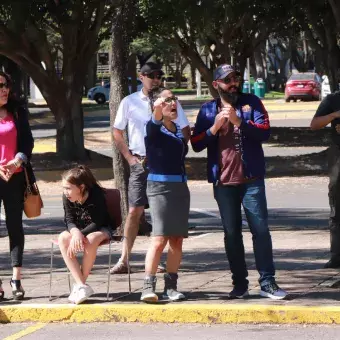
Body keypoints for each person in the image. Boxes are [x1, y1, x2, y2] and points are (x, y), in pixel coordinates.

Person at [191, 64, 287, 300]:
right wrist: (214, 128)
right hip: (223, 182)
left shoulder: (251, 103)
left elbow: (264, 132)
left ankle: (268, 282)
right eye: (227, 80)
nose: (233, 84)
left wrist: (239, 122)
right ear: (216, 85)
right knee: (231, 233)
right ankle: (239, 284)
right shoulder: (207, 110)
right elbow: (196, 143)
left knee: (260, 230)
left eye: (236, 79)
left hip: (251, 179)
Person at [111, 62, 190, 274]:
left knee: (161, 214)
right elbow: (117, 131)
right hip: (141, 161)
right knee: (134, 211)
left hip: (164, 166)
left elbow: (185, 129)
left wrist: (178, 147)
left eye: (159, 75)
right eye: (150, 75)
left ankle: (160, 259)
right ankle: (125, 258)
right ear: (141, 76)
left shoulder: (170, 100)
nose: (155, 78)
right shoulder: (130, 101)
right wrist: (129, 158)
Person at [140, 88, 190, 302]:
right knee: (159, 237)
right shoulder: (153, 128)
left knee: (177, 239)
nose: (173, 103)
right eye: (167, 99)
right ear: (157, 105)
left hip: (180, 188)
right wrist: (157, 110)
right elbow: (154, 122)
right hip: (159, 187)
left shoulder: (178, 129)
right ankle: (148, 286)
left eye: (174, 99)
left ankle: (171, 286)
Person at [58, 165, 116, 304]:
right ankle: (82, 286)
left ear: (81, 187)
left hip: (101, 228)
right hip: (78, 230)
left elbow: (98, 222)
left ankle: (80, 285)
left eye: (68, 188)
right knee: (62, 238)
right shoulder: (67, 197)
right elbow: (69, 220)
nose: (65, 192)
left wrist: (80, 235)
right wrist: (76, 232)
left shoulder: (96, 194)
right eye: (64, 188)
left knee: (90, 239)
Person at [0, 71, 34, 301]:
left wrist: (17, 160)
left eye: (6, 85)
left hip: (16, 176)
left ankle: (16, 279)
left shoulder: (18, 111)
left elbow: (28, 142)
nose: (4, 89)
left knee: (15, 226)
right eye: (0, 85)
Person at [310, 91, 340, 268]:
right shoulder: (333, 100)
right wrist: (334, 115)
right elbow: (314, 124)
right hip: (338, 156)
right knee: (336, 207)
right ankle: (336, 256)